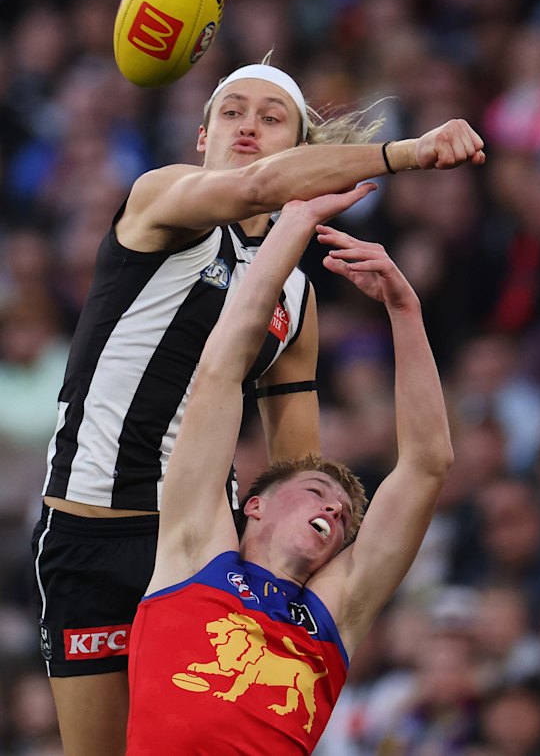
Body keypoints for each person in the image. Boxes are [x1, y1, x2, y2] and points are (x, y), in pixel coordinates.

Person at [31, 59, 485, 756]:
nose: (248, 125)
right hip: (98, 525)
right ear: (201, 135)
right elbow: (259, 187)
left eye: (271, 117)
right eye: (233, 111)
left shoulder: (296, 300)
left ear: (301, 146)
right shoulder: (162, 198)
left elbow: (297, 467)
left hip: (204, 544)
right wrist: (409, 152)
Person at [125, 184, 455, 754]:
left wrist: (405, 310)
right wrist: (288, 229)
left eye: (345, 515)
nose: (333, 509)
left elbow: (428, 464)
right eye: (316, 491)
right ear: (255, 505)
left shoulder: (336, 607)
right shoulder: (193, 548)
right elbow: (221, 373)